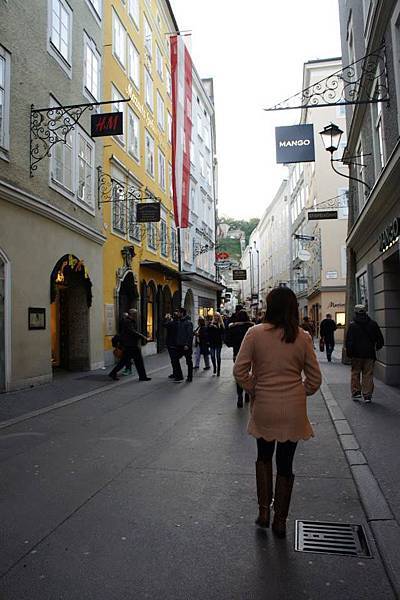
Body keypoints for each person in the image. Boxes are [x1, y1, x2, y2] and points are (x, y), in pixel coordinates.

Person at [233, 287, 321, 538]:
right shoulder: (301, 336)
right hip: (292, 407)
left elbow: (240, 371)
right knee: (286, 463)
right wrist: (299, 391)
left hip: (264, 405)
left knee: (263, 456)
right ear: (293, 308)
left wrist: (255, 387)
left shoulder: (255, 333)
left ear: (269, 307)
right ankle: (281, 520)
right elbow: (314, 379)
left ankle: (263, 511)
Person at [345, 304, 384, 403]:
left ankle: (356, 392)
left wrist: (349, 353)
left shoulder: (352, 325)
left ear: (355, 312)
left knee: (355, 372)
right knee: (368, 374)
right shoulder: (373, 324)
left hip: (356, 354)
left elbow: (349, 341)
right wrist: (377, 347)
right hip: (369, 354)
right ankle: (367, 395)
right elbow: (380, 339)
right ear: (365, 312)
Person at [109, 309, 151, 382]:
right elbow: (132, 332)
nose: (137, 315)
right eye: (136, 314)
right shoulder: (127, 322)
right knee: (136, 361)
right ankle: (142, 377)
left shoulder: (129, 321)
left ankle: (142, 376)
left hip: (130, 344)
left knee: (126, 361)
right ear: (132, 314)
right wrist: (142, 336)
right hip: (130, 345)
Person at [225, 309, 254, 407]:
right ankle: (247, 393)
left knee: (239, 374)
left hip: (237, 354)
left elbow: (227, 341)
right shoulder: (251, 327)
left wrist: (234, 343)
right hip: (250, 355)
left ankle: (239, 396)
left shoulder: (234, 327)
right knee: (248, 373)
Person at [172, 307, 194, 382]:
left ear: (182, 313)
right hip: (179, 345)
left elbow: (190, 335)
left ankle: (190, 377)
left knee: (188, 361)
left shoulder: (188, 322)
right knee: (175, 359)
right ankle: (179, 376)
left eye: (178, 312)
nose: (177, 314)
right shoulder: (178, 322)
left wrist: (187, 344)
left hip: (186, 346)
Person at [163, 312, 179, 379]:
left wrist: (167, 318)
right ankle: (176, 373)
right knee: (175, 359)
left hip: (171, 343)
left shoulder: (171, 323)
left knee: (173, 359)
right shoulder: (179, 323)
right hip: (177, 343)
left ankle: (176, 374)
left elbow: (164, 325)